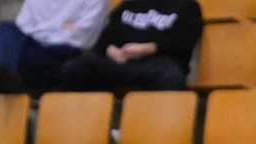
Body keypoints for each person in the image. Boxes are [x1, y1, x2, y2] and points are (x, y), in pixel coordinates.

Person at [55, 0, 201, 95]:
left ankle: (160, 129)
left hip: (155, 64)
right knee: (75, 68)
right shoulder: (129, 5)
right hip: (119, 62)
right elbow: (105, 37)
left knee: (171, 77)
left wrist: (149, 48)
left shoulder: (187, 6)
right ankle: (89, 123)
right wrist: (110, 50)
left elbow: (183, 42)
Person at [0, 0, 106, 94]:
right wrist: (61, 27)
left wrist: (41, 30)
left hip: (64, 59)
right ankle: (4, 74)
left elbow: (84, 38)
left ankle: (4, 78)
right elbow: (22, 28)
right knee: (5, 29)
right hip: (35, 50)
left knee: (8, 58)